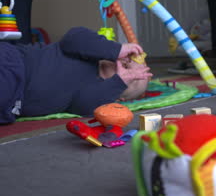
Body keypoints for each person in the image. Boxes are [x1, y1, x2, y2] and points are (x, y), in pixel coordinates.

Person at [0, 26, 153, 125]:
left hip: (12, 104)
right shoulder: (88, 52)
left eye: (131, 79)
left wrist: (119, 81)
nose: (126, 68)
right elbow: (74, 36)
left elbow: (83, 107)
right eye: (127, 62)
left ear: (120, 98)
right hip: (15, 63)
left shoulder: (98, 95)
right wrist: (116, 49)